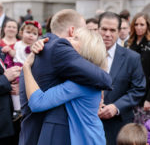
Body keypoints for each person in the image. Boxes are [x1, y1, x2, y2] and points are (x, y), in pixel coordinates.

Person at [19, 9, 112, 145]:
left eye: (75, 38)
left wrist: (26, 67)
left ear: (86, 48)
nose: (68, 39)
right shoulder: (84, 78)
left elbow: (37, 102)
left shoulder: (79, 84)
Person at [97, 11, 146, 145]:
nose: (107, 34)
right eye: (104, 29)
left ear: (119, 32)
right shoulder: (84, 55)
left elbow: (138, 89)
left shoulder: (132, 58)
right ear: (98, 29)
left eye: (112, 30)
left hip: (119, 127)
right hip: (88, 123)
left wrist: (116, 107)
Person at [2, 20, 41, 120]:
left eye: (34, 34)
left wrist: (10, 51)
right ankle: (17, 109)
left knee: (21, 89)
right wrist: (9, 51)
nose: (31, 36)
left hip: (25, 69)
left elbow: (23, 54)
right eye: (28, 32)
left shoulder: (32, 47)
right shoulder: (17, 44)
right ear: (21, 33)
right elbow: (15, 55)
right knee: (14, 90)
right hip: (16, 67)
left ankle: (21, 108)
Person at [127, 12, 150, 124]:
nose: (139, 27)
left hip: (145, 94)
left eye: (142, 24)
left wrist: (149, 99)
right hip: (129, 92)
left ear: (147, 26)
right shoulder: (129, 44)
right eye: (136, 24)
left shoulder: (149, 45)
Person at [0, 47, 21, 145]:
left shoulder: (2, 51)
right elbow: (4, 78)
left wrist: (18, 87)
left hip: (10, 121)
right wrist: (5, 79)